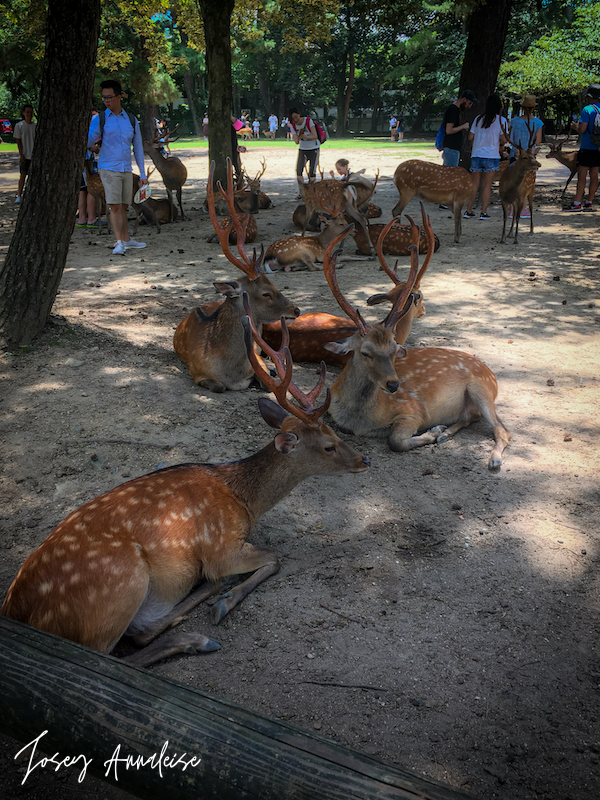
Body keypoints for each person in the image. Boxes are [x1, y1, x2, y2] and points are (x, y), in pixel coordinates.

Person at [87, 79, 148, 255]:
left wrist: (142, 173)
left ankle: (127, 239)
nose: (106, 101)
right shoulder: (100, 119)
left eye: (110, 97)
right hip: (108, 168)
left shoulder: (131, 119)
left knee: (123, 205)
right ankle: (119, 241)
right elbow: (90, 139)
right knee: (114, 205)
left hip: (126, 168)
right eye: (104, 98)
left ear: (119, 96)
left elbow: (137, 147)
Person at [463, 93, 507, 220]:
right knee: (487, 185)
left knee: (474, 184)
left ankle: (468, 210)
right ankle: (483, 212)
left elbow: (471, 137)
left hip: (476, 154)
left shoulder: (478, 119)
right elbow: (504, 139)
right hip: (492, 156)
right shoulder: (501, 120)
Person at [507, 94, 544, 218]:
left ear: (522, 107)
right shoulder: (538, 123)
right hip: (529, 157)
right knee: (526, 184)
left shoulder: (514, 121)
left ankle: (511, 209)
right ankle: (522, 210)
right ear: (534, 108)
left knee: (513, 182)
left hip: (515, 154)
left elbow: (510, 138)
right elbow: (537, 141)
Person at [565, 84, 600, 212]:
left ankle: (577, 203)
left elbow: (582, 129)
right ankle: (589, 202)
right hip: (598, 149)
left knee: (582, 175)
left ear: (589, 96)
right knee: (594, 175)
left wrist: (575, 127)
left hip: (587, 148)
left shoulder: (587, 110)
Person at [288, 107, 320, 196]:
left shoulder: (308, 121)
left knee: (312, 172)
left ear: (299, 114)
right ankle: (302, 192)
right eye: (293, 118)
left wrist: (304, 136)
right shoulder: (293, 126)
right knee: (299, 170)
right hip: (303, 149)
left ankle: (312, 193)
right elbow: (296, 142)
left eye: (296, 117)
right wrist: (297, 137)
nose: (295, 120)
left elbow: (315, 136)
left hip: (314, 148)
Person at [441, 89, 478, 167]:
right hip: (451, 148)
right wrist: (463, 127)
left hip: (452, 149)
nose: (469, 106)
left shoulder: (455, 110)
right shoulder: (453, 110)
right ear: (464, 99)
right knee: (450, 174)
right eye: (469, 103)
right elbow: (449, 130)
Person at [13, 104, 37, 203]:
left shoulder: (36, 126)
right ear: (23, 113)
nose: (29, 114)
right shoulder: (19, 125)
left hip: (34, 156)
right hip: (25, 154)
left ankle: (31, 195)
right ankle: (19, 195)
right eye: (27, 112)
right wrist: (21, 154)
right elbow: (18, 141)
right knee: (22, 175)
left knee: (33, 176)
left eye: (31, 112)